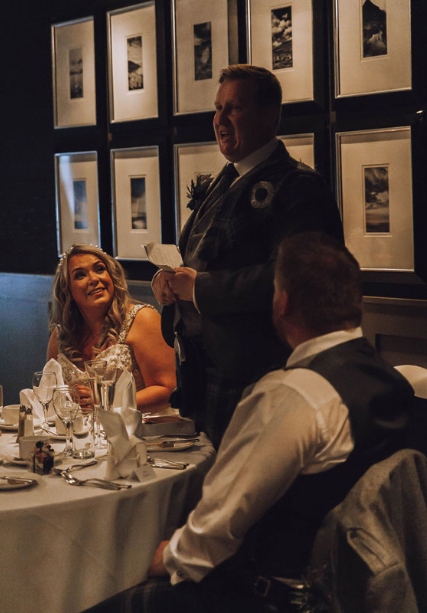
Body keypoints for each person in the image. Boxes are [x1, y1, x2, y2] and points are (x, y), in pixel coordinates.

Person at [87, 232, 415, 612]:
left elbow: (215, 530)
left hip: (275, 597)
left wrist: (169, 556)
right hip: (358, 588)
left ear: (282, 302)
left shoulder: (290, 394)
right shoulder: (393, 381)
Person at [153, 65, 343, 445]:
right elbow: (200, 257)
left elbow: (294, 277)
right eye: (217, 108)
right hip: (198, 373)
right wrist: (168, 280)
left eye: (234, 108)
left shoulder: (298, 186)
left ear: (270, 115)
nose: (220, 120)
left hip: (254, 375)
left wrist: (201, 288)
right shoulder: (223, 179)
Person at [48, 244, 176, 414]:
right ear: (67, 290)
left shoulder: (142, 319)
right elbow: (50, 395)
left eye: (99, 269)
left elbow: (167, 390)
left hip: (144, 427)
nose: (94, 279)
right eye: (80, 275)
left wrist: (106, 402)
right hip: (81, 429)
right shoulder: (60, 337)